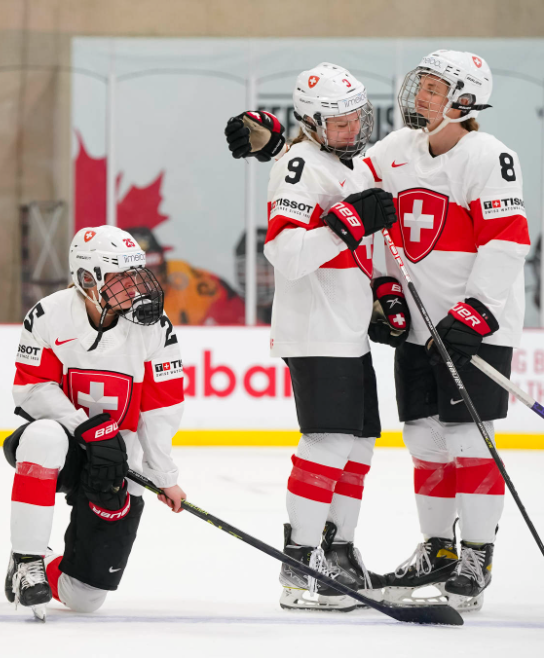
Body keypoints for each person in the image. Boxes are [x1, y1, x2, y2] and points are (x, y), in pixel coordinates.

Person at [228, 51, 529, 612]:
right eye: (422, 86)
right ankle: (439, 550)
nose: (420, 97)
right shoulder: (394, 151)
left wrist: (481, 308)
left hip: (471, 327)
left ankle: (476, 557)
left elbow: (509, 238)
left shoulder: (489, 156)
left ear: (464, 100)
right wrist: (285, 148)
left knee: (467, 440)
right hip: (416, 328)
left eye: (434, 90)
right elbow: (343, 186)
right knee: (424, 439)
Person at [226, 63, 400, 611]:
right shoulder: (301, 165)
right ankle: (299, 565)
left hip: (347, 328)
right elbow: (286, 253)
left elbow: (357, 247)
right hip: (315, 328)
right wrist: (347, 223)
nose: (355, 128)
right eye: (341, 122)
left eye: (358, 118)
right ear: (312, 122)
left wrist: (381, 293)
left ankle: (338, 553)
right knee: (326, 442)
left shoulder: (343, 163)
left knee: (359, 444)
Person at [4, 225, 186, 621]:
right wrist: (84, 427)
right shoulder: (48, 315)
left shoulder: (155, 326)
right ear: (87, 279)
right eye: (122, 277)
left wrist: (162, 474)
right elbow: (32, 388)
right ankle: (27, 559)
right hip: (69, 444)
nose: (136, 286)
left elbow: (160, 406)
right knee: (41, 436)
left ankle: (49, 563)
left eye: (137, 274)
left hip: (119, 458)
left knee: (85, 598)